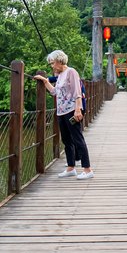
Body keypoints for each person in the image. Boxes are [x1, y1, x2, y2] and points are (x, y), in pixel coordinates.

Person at [34, 50, 94, 180]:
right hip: (61, 112)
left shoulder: (71, 72)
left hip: (71, 110)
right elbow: (55, 92)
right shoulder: (60, 75)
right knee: (66, 140)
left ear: (60, 61)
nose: (51, 66)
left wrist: (78, 109)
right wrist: (45, 81)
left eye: (52, 63)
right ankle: (71, 168)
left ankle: (87, 169)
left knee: (78, 139)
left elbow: (77, 92)